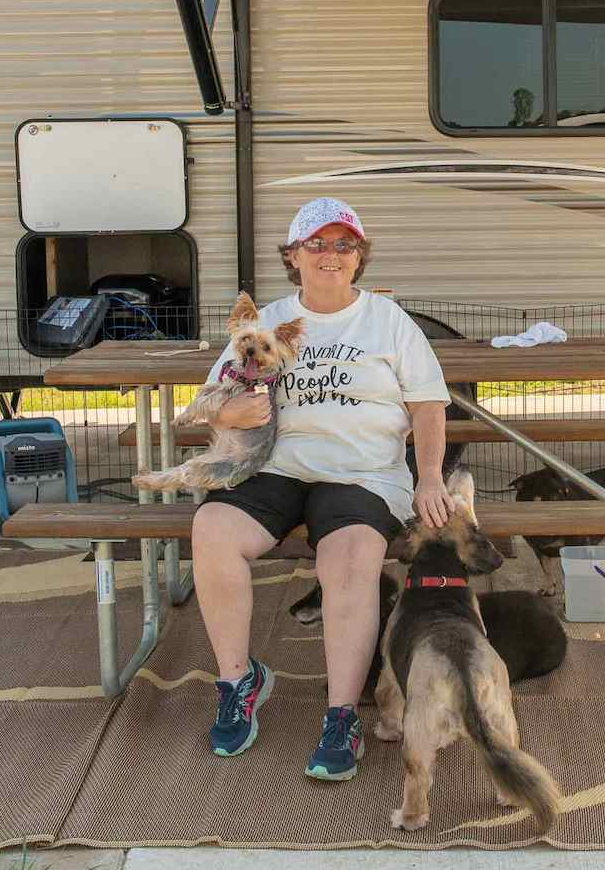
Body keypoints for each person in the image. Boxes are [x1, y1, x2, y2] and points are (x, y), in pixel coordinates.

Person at [190, 197, 454, 781]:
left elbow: (429, 403)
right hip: (277, 468)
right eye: (318, 244)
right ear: (293, 255)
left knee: (353, 556)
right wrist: (233, 416)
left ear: (359, 258)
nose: (331, 255)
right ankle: (238, 683)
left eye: (344, 245)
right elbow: (214, 404)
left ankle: (341, 716)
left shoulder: (389, 322)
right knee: (210, 530)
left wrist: (430, 475)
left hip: (361, 473)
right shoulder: (268, 320)